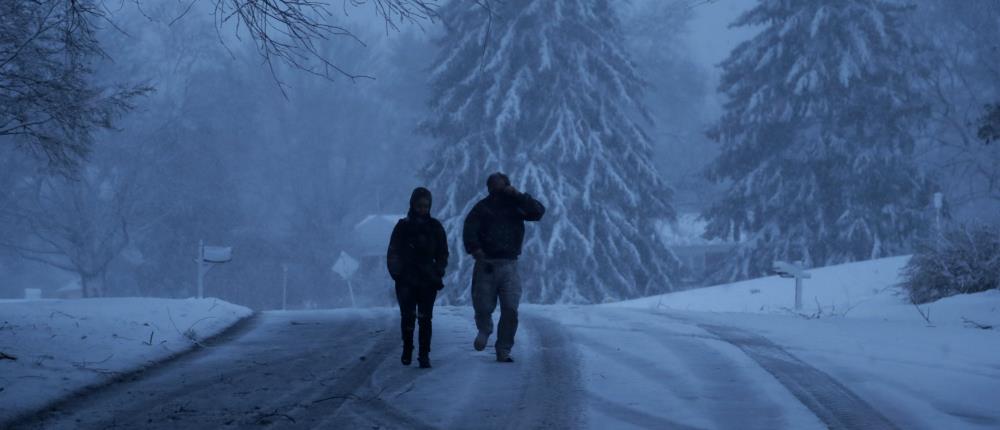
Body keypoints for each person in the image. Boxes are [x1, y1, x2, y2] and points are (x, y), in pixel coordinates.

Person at [463, 172, 545, 362]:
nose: (498, 190)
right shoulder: (482, 208)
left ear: (509, 186)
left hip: (510, 264)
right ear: (489, 188)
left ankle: (504, 348)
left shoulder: (516, 206)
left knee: (510, 309)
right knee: (482, 306)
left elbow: (538, 211)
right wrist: (475, 249)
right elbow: (469, 229)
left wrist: (518, 195)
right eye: (494, 186)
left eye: (502, 186)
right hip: (486, 264)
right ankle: (484, 329)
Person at [386, 187, 448, 368]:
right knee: (408, 317)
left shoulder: (435, 227)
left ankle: (424, 353)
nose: (422, 209)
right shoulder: (402, 227)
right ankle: (407, 347)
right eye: (419, 205)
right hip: (406, 280)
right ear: (413, 205)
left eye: (426, 206)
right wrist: (397, 274)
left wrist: (438, 271)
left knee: (425, 318)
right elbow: (392, 253)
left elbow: (443, 253)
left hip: (428, 280)